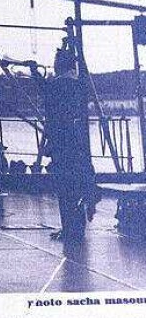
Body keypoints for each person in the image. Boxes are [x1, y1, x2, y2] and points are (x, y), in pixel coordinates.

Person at [40, 43, 97, 243]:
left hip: (62, 144)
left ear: (59, 65)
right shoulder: (79, 84)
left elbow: (52, 113)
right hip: (79, 142)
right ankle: (77, 228)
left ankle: (70, 231)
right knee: (76, 186)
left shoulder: (56, 85)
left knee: (65, 191)